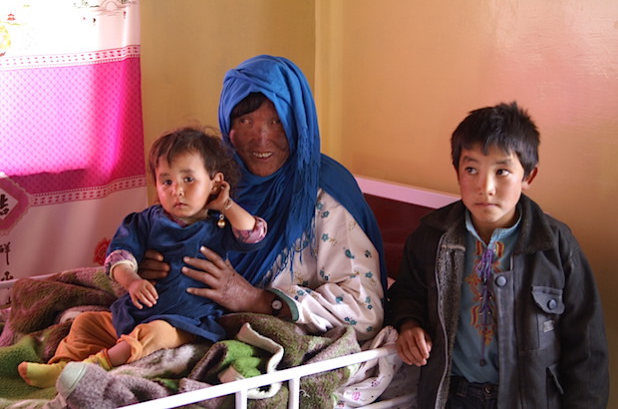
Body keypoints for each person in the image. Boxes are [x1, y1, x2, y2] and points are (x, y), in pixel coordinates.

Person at [140, 55, 388, 342]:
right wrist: (153, 265)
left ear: (297, 124)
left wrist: (257, 300)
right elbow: (164, 239)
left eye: (277, 121)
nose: (261, 138)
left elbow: (365, 313)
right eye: (246, 121)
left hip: (257, 341)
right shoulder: (211, 181)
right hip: (195, 321)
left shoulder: (324, 192)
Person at [387, 102, 609, 408]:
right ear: (457, 172)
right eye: (471, 169)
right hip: (452, 396)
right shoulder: (430, 237)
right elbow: (405, 293)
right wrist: (409, 324)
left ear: (528, 176)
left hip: (528, 398)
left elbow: (587, 348)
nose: (485, 187)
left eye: (502, 171)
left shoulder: (556, 246)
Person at [19, 126, 268, 388]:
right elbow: (118, 257)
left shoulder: (218, 226)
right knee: (85, 323)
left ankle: (92, 367)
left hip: (186, 324)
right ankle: (60, 365)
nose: (177, 191)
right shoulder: (145, 221)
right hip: (135, 314)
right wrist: (132, 281)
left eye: (188, 179)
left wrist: (226, 204)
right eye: (167, 181)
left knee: (152, 334)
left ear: (215, 183)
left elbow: (253, 234)